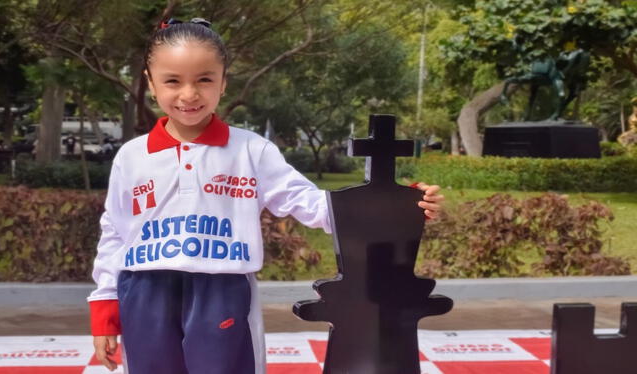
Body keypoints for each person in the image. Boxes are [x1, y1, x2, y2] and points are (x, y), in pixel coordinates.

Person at [88, 17, 445, 374]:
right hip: (144, 291)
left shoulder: (251, 150)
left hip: (222, 291)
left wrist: (396, 207)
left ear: (224, 82)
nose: (189, 94)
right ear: (151, 83)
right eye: (172, 81)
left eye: (204, 80)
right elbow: (115, 231)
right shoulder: (132, 156)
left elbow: (309, 203)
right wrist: (105, 306)